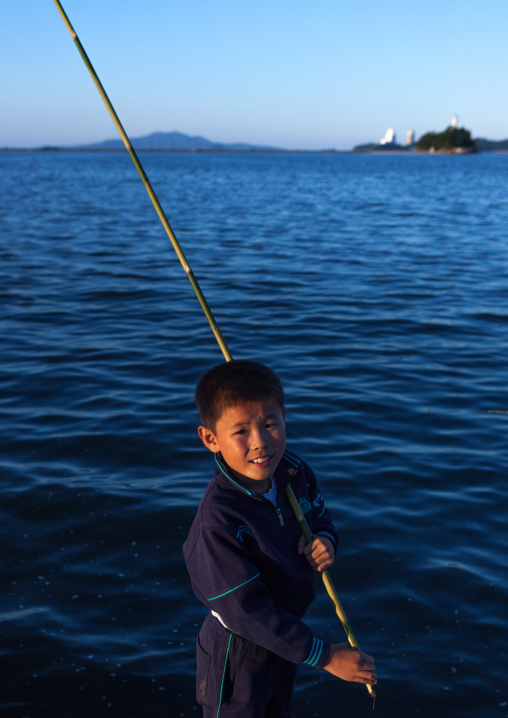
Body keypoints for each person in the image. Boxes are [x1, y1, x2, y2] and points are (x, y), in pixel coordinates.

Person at [183, 359, 376, 717]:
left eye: (270, 424)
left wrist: (324, 539)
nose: (260, 443)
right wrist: (325, 656)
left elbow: (319, 514)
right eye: (240, 432)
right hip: (239, 648)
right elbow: (248, 612)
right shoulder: (218, 521)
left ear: (285, 416)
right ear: (211, 438)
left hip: (287, 635)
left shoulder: (294, 471)